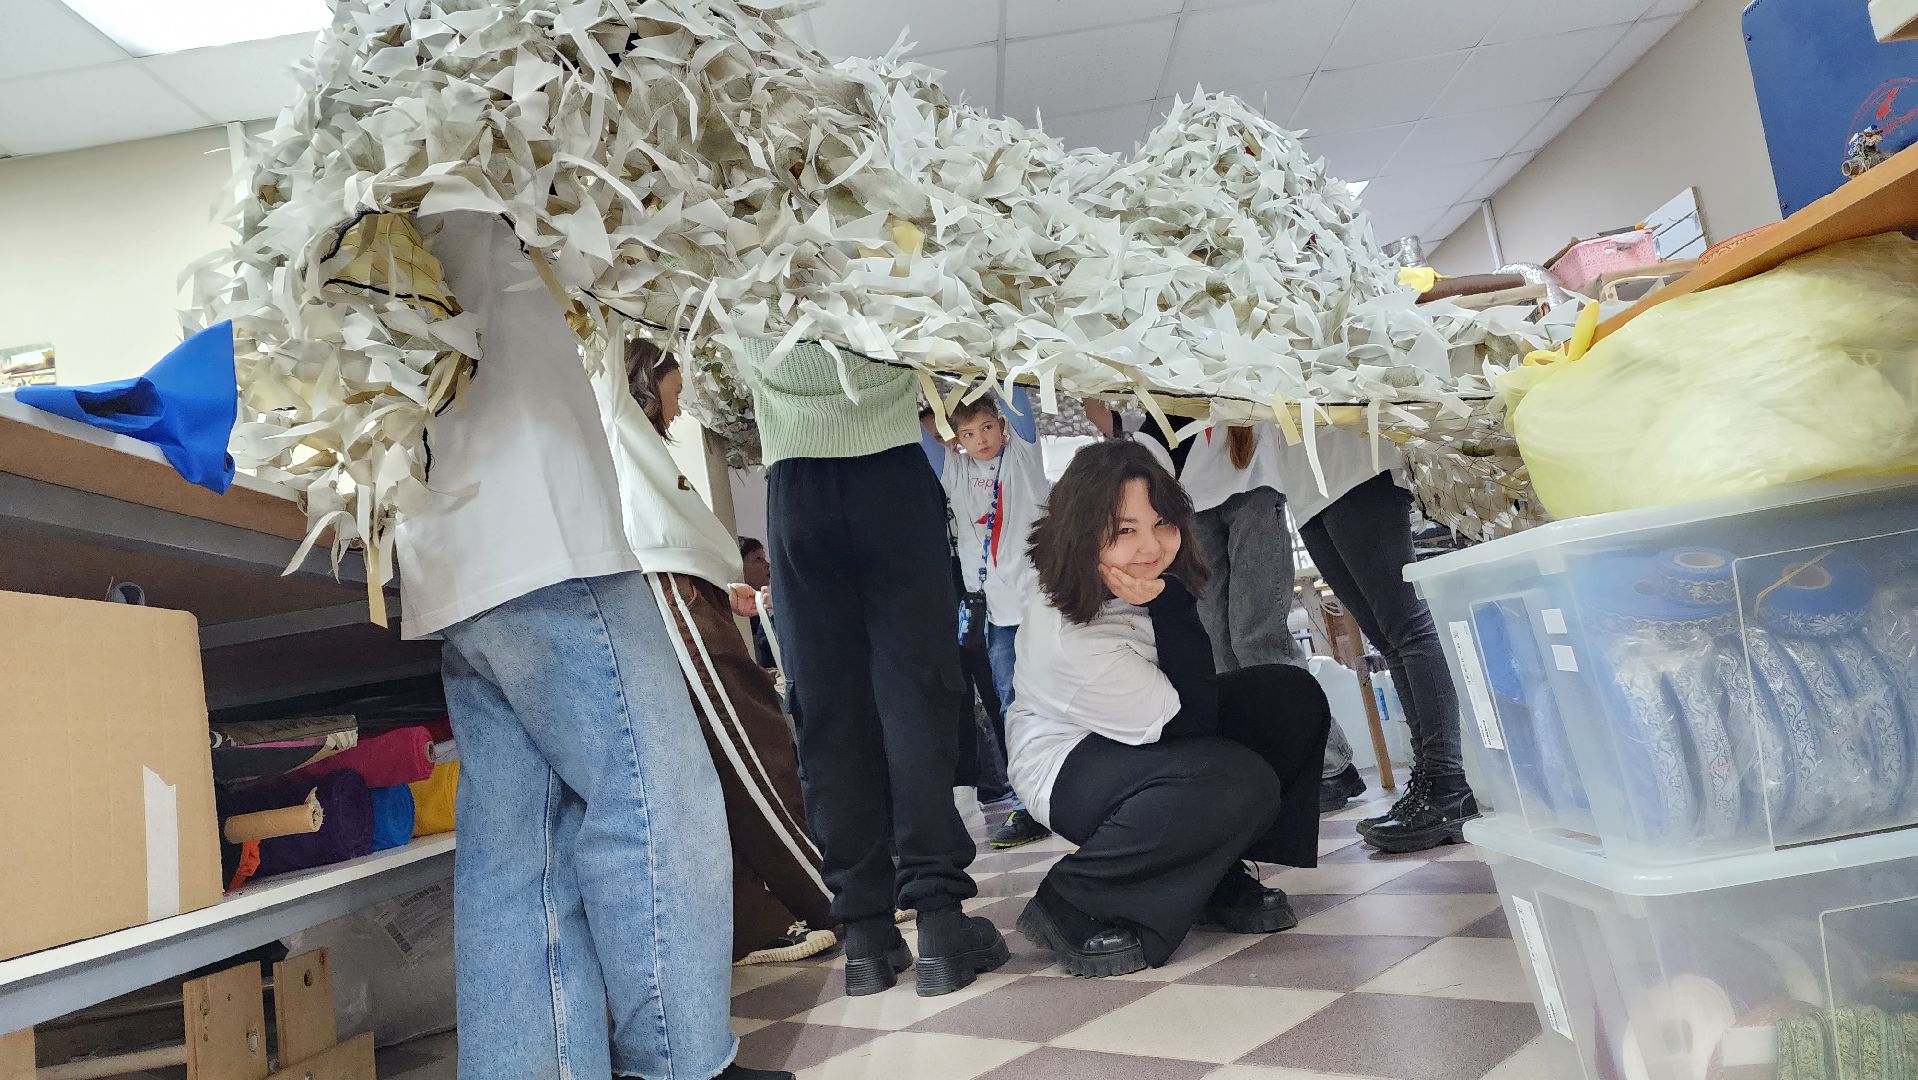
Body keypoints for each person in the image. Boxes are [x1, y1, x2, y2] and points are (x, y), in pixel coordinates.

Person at [398, 211, 786, 1080]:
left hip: (452, 545)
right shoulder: (501, 149)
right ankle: (682, 1065)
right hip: (543, 522)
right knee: (654, 799)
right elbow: (604, 247)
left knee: (516, 851)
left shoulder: (388, 187)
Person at [1005, 440, 1331, 977]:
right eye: (1124, 529)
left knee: (1287, 698)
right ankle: (1071, 899)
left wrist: (1168, 597)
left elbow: (1191, 696)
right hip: (1067, 768)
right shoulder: (1068, 635)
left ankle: (1213, 873)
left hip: (1146, 731)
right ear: (1081, 532)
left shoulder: (1138, 583)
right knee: (1233, 779)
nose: (1151, 546)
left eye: (1163, 524)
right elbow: (1190, 725)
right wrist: (1172, 602)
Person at [743, 338, 1008, 998]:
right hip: (889, 471)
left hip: (796, 483)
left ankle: (865, 934)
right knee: (916, 697)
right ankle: (941, 922)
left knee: (828, 711)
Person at [599, 337, 835, 964]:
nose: (676, 411)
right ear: (644, 384)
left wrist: (718, 582)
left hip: (689, 590)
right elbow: (602, 356)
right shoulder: (617, 421)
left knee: (716, 762)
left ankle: (766, 911)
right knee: (752, 743)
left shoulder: (646, 448)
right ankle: (831, 890)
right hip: (670, 593)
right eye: (671, 394)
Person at [1276, 422, 1475, 854]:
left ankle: (1447, 783)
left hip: (1353, 461)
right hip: (1306, 485)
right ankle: (1428, 780)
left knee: (1407, 628)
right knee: (1387, 638)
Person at [1176, 422, 1369, 814]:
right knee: (1217, 645)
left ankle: (1331, 766)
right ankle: (1263, 769)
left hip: (1252, 479)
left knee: (1258, 638)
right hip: (1189, 493)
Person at [922, 392, 1053, 849]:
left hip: (1046, 606)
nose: (979, 440)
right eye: (967, 434)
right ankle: (1028, 803)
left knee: (1065, 695)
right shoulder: (955, 473)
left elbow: (1018, 401)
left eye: (987, 428)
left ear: (1001, 426)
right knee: (1011, 709)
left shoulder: (1022, 456)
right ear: (955, 439)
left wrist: (982, 361)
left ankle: (1076, 787)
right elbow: (914, 434)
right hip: (999, 619)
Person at [737, 536, 778, 670]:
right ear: (739, 566)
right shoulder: (739, 608)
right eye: (758, 559)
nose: (767, 564)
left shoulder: (756, 602)